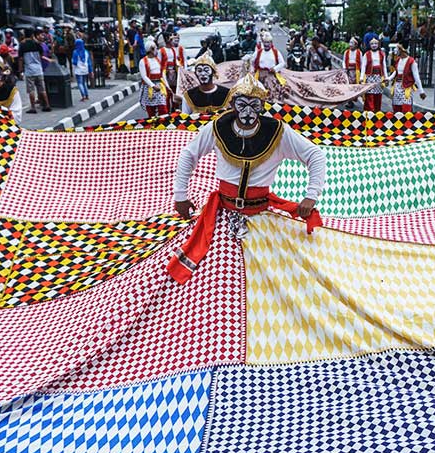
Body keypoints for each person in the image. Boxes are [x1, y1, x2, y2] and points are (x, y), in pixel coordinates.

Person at [169, 74, 327, 284]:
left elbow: (315, 155)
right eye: (242, 104)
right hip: (221, 214)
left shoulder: (277, 132)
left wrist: (311, 195)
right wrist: (180, 195)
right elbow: (189, 154)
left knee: (270, 276)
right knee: (213, 276)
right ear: (232, 104)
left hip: (260, 215)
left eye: (255, 104)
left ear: (262, 105)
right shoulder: (218, 127)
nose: (248, 111)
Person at [18, 29, 51, 113]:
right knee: (42, 89)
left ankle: (33, 107)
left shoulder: (22, 45)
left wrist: (20, 70)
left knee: (31, 90)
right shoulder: (37, 44)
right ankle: (47, 105)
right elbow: (41, 55)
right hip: (38, 69)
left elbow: (21, 59)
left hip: (29, 71)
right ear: (32, 35)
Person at [387, 45, 424, 113]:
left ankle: (407, 122)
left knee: (406, 107)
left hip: (407, 87)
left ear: (401, 51)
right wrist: (388, 79)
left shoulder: (411, 61)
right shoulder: (398, 60)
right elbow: (396, 72)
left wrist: (421, 91)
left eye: (396, 52)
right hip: (397, 86)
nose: (395, 54)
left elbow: (416, 77)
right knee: (396, 107)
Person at [139, 39, 169, 117]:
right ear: (151, 50)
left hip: (159, 86)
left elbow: (162, 74)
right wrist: (153, 86)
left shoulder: (157, 60)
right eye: (155, 48)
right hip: (149, 88)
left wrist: (166, 85)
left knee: (163, 109)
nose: (157, 50)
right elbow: (144, 76)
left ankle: (163, 126)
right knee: (151, 111)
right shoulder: (143, 61)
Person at [360, 37, 387, 111]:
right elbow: (363, 66)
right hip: (370, 77)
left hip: (378, 78)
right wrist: (361, 78)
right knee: (369, 95)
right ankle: (370, 111)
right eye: (372, 44)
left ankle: (377, 112)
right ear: (370, 45)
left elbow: (384, 66)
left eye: (375, 44)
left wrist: (386, 77)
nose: (374, 45)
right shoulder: (366, 54)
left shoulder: (382, 54)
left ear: (378, 45)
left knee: (378, 96)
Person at [159, 34, 186, 104]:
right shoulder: (161, 51)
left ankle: (175, 109)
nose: (172, 41)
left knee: (175, 91)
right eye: (171, 40)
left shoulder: (173, 50)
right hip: (165, 74)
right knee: (167, 92)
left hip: (174, 73)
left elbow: (176, 61)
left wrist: (181, 70)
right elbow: (159, 63)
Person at [72, 35, 93, 101]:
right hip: (85, 69)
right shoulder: (86, 52)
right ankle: (87, 95)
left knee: (80, 83)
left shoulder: (75, 52)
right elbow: (89, 62)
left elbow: (74, 62)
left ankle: (83, 96)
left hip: (78, 70)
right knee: (84, 83)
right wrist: (91, 71)